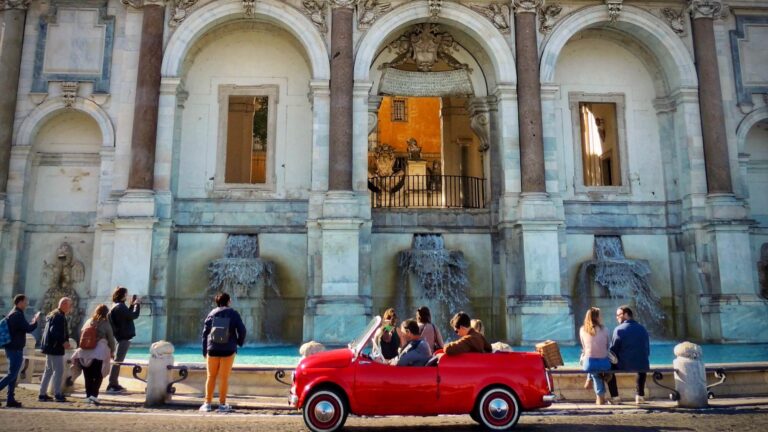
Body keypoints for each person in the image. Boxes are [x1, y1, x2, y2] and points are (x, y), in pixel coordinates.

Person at [200, 292, 246, 413]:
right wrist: (239, 342)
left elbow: (205, 333)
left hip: (212, 349)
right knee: (224, 378)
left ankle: (207, 403)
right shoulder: (234, 314)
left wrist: (205, 350)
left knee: (211, 377)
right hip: (228, 350)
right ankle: (222, 404)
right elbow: (242, 330)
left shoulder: (211, 313)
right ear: (229, 301)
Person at [0, 295, 41, 407]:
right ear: (20, 302)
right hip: (15, 349)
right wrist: (35, 321)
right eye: (25, 301)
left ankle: (10, 399)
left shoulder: (13, 313)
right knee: (12, 375)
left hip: (12, 348)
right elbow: (28, 328)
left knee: (13, 375)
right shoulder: (17, 315)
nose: (27, 304)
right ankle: (9, 398)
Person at [71, 304, 116, 405]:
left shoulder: (88, 321)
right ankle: (94, 396)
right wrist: (112, 351)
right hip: (98, 353)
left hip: (84, 352)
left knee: (88, 376)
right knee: (98, 375)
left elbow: (81, 334)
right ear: (106, 313)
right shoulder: (105, 323)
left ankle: (88, 396)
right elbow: (111, 339)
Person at [606, 305, 650, 405]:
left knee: (608, 366)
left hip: (624, 364)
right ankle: (640, 396)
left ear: (626, 314)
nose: (617, 317)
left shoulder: (619, 329)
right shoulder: (642, 328)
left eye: (618, 315)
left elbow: (613, 350)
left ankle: (615, 397)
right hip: (642, 364)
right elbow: (647, 350)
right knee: (642, 362)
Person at [107, 286, 140, 393]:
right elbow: (134, 315)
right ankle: (112, 384)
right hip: (123, 337)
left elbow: (127, 316)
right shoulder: (120, 307)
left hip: (120, 336)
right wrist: (137, 305)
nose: (127, 295)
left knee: (118, 361)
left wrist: (131, 305)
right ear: (122, 295)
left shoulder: (117, 306)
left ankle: (114, 383)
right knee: (118, 361)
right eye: (126, 294)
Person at [39, 297, 72, 402]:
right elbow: (55, 332)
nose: (70, 308)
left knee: (48, 371)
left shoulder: (53, 314)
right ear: (64, 305)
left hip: (50, 347)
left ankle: (42, 393)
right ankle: (57, 394)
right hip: (55, 347)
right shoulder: (59, 317)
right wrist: (63, 342)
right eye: (69, 305)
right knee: (59, 371)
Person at [579, 307, 611, 405]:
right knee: (596, 372)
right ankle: (600, 399)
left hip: (589, 364)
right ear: (597, 317)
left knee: (592, 369)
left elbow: (584, 348)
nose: (601, 317)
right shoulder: (605, 329)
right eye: (600, 315)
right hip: (604, 363)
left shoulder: (582, 329)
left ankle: (589, 379)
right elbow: (608, 346)